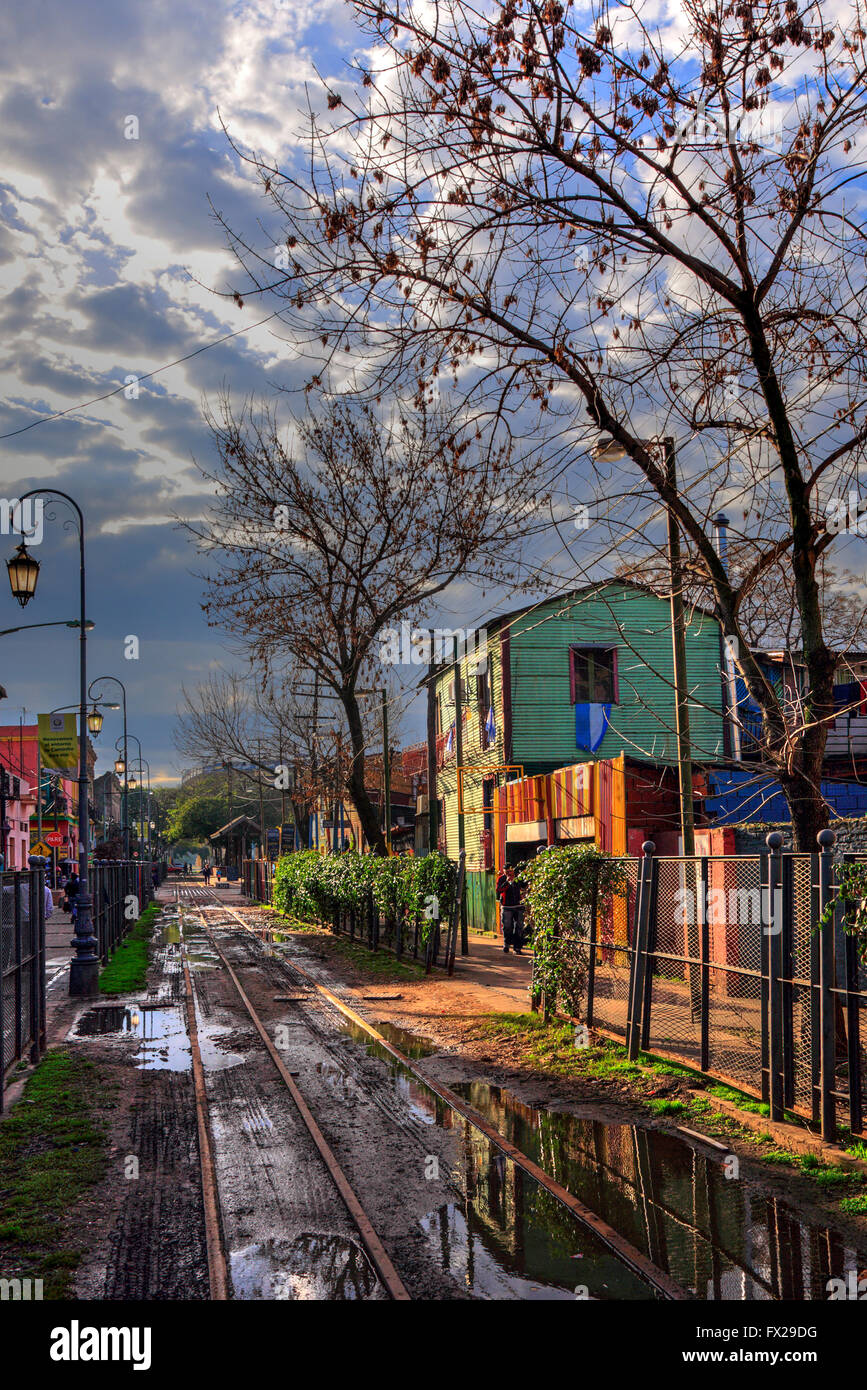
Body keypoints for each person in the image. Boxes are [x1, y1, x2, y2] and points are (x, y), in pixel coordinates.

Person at [498, 865, 526, 954]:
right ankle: (506, 943)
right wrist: (507, 882)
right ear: (504, 871)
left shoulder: (519, 878)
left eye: (510, 871)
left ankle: (517, 947)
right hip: (507, 907)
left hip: (519, 906)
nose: (509, 873)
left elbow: (525, 887)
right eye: (507, 872)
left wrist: (523, 894)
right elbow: (499, 890)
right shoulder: (501, 879)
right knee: (507, 927)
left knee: (519, 927)